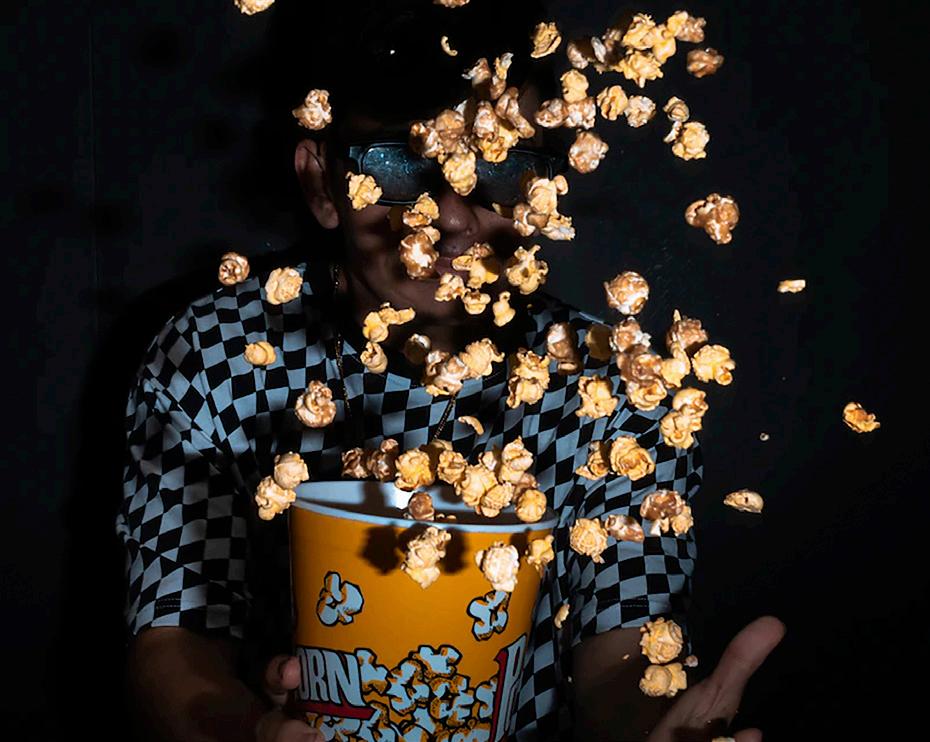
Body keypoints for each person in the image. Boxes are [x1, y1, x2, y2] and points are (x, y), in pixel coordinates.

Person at [116, 2, 785, 740]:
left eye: (501, 165)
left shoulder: (618, 387)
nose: (454, 216)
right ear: (322, 185)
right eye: (400, 165)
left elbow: (624, 658)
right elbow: (174, 638)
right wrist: (248, 733)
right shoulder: (217, 353)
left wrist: (655, 728)